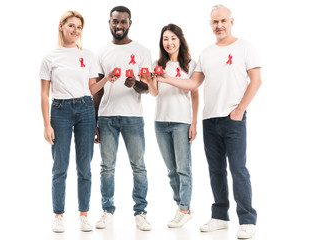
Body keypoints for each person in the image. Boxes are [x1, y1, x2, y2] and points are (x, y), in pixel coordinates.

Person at [157, 5, 261, 239]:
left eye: (223, 21)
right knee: (215, 171)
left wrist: (240, 109)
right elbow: (193, 84)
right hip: (209, 119)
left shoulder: (245, 47)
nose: (219, 26)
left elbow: (256, 80)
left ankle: (246, 219)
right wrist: (167, 78)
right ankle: (220, 217)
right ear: (210, 24)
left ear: (231, 21)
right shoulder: (206, 53)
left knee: (238, 169)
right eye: (215, 22)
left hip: (233, 118)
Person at [39, 10, 118, 233]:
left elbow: (91, 88)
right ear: (61, 26)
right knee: (60, 166)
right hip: (60, 110)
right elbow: (44, 94)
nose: (76, 31)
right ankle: (59, 215)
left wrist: (107, 78)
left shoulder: (88, 55)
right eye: (71, 26)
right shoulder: (50, 57)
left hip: (85, 109)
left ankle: (84, 214)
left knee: (85, 166)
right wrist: (47, 124)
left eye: (79, 27)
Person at [93, 6, 152, 231]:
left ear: (130, 23)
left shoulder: (142, 50)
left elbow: (147, 88)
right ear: (109, 22)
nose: (119, 26)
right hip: (107, 117)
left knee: (139, 166)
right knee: (107, 167)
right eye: (115, 21)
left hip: (133, 118)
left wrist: (134, 83)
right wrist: (95, 122)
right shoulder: (101, 52)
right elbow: (97, 90)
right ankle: (107, 211)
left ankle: (141, 212)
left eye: (123, 22)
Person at [141, 24, 198, 228]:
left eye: (173, 38)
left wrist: (194, 122)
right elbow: (155, 93)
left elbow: (194, 92)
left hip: (182, 122)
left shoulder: (190, 65)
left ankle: (184, 208)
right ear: (161, 42)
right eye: (165, 39)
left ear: (180, 40)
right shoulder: (158, 64)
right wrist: (149, 81)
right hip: (160, 121)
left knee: (184, 168)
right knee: (171, 170)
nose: (169, 43)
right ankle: (181, 207)